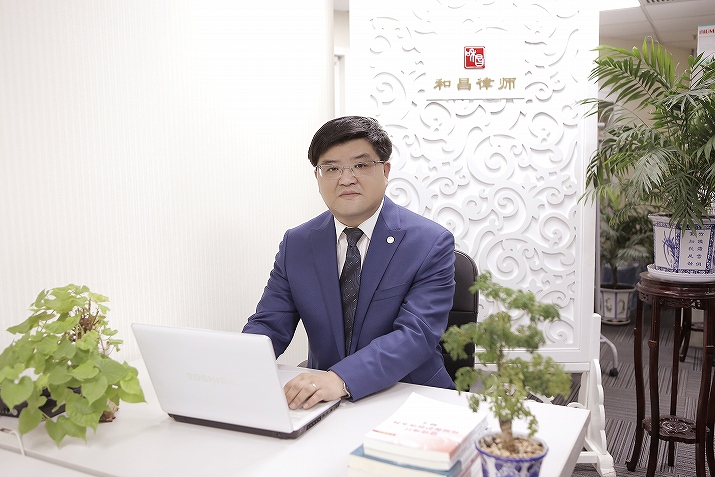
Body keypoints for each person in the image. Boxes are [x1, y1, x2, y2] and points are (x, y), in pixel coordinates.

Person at [242, 116, 455, 410]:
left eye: (361, 165)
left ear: (385, 171)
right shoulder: (297, 243)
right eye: (331, 168)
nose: (346, 179)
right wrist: (236, 367)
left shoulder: (430, 242)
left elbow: (415, 336)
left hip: (410, 396)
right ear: (317, 177)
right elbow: (269, 323)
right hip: (325, 401)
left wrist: (341, 378)